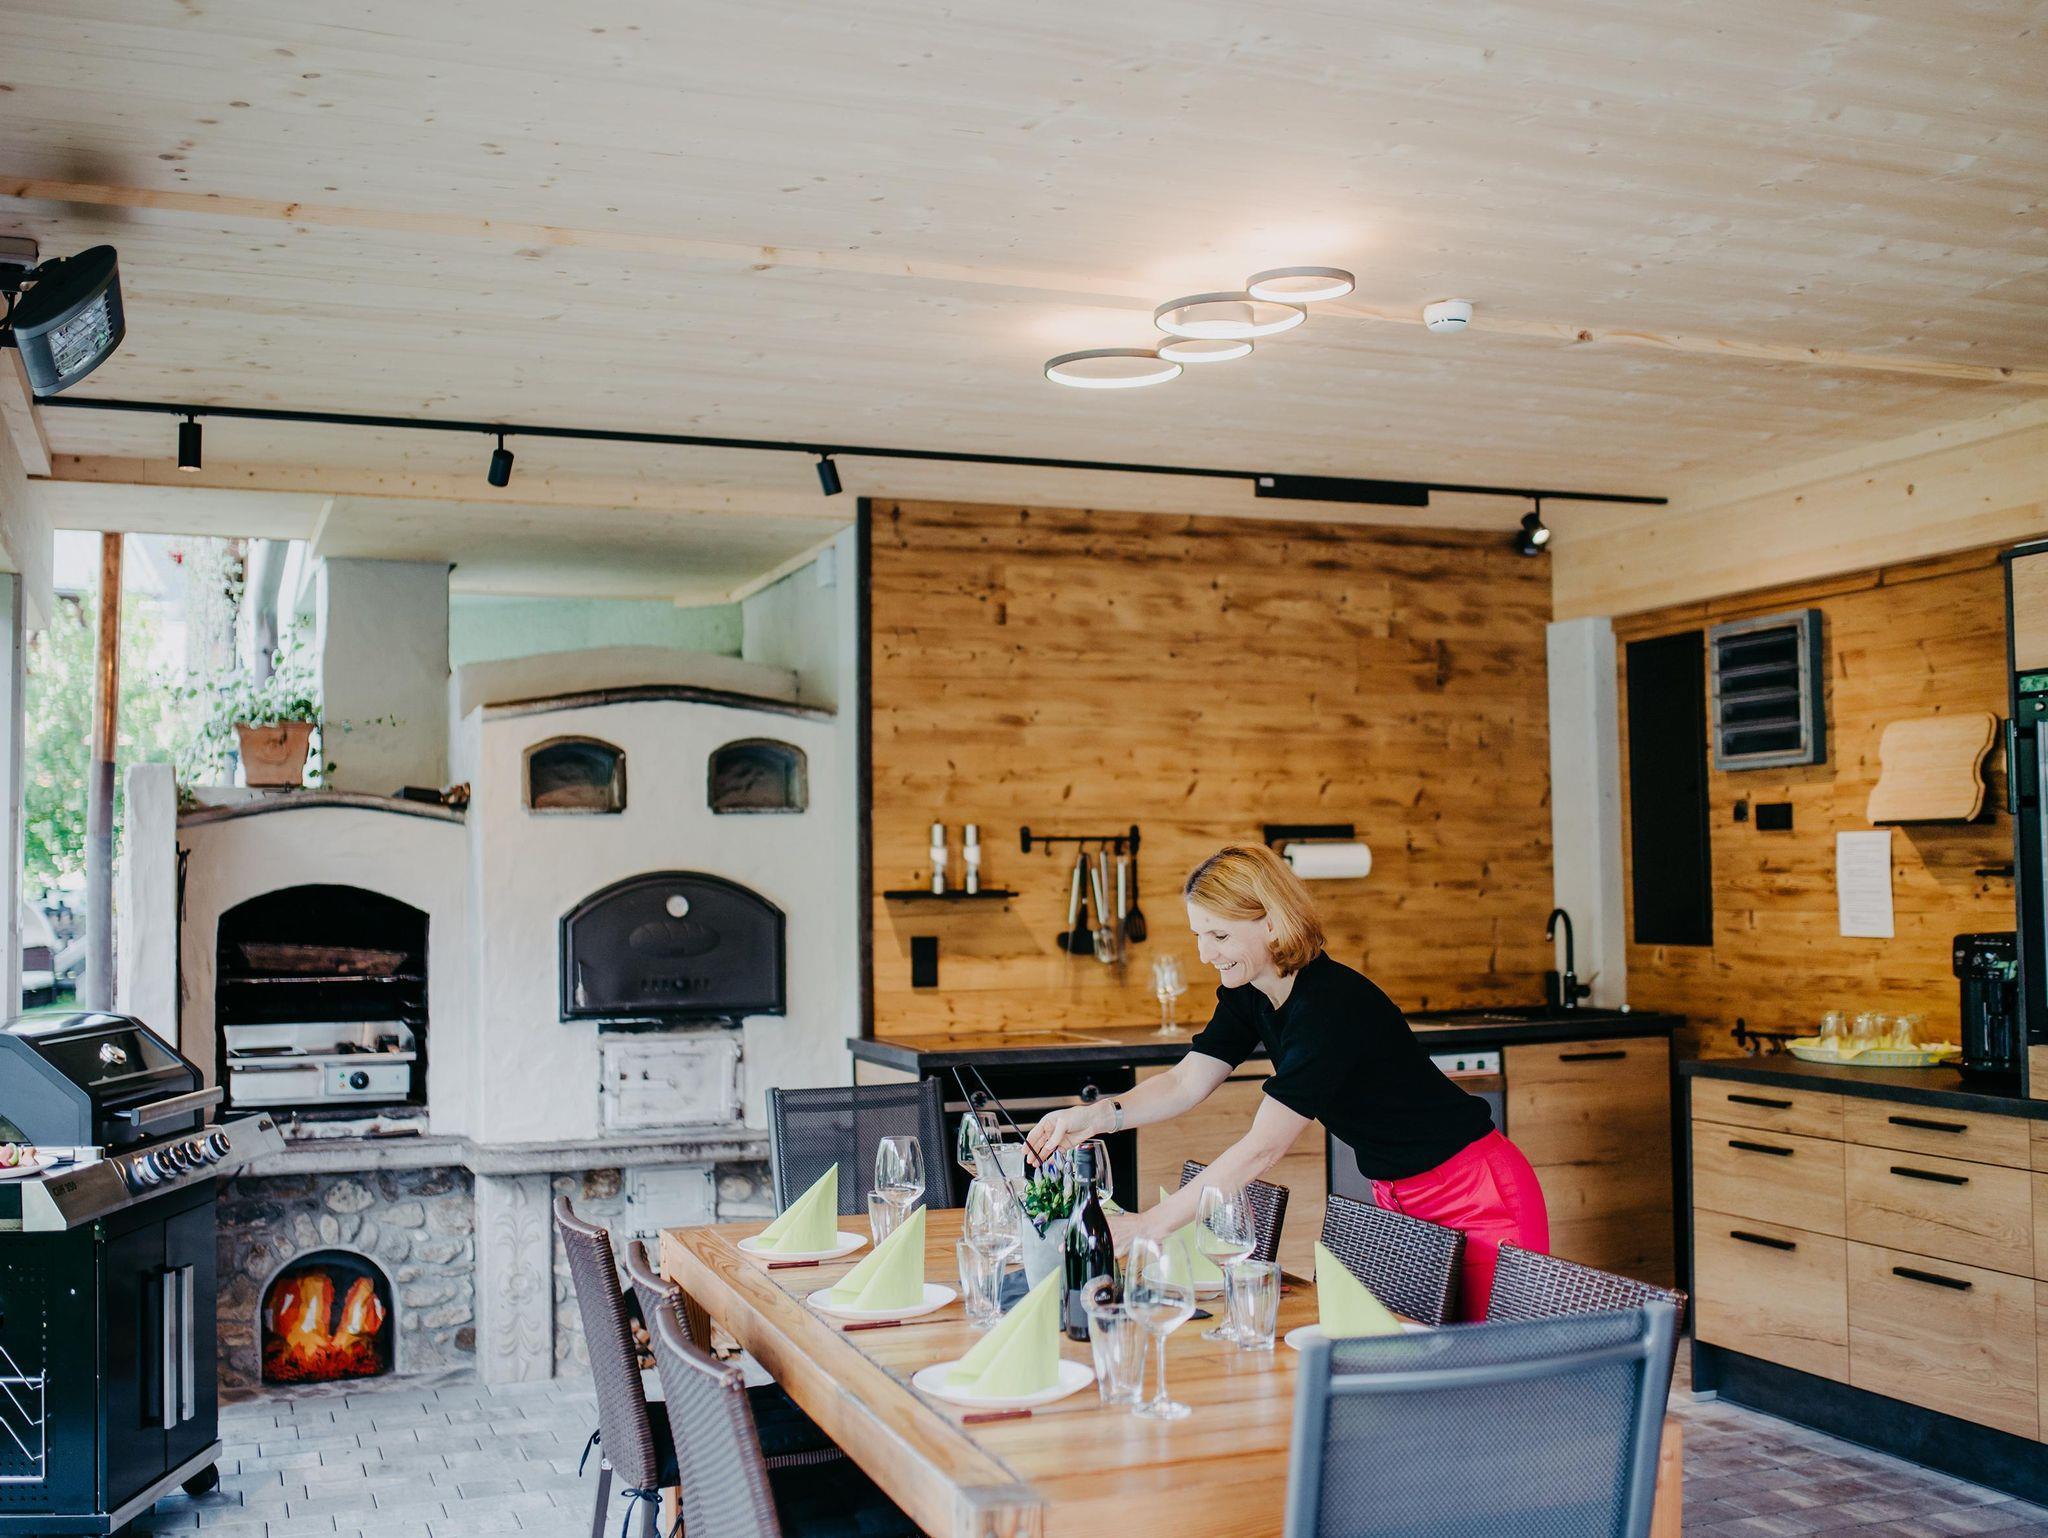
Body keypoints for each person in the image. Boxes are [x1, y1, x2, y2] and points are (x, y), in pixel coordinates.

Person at [1026, 843, 1548, 1320]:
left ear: (1273, 924)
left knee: (1497, 1361)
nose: (1206, 954)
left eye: (1220, 935)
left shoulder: (1329, 1006)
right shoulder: (1250, 991)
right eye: (1198, 935)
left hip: (1477, 1193)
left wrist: (1150, 1225)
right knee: (1418, 1352)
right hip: (1399, 1196)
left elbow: (1263, 1147)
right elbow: (1186, 1081)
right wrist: (1097, 1117)